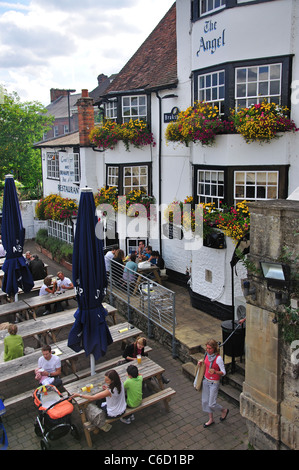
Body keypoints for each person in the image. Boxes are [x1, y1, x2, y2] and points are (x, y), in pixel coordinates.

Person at [199, 339, 229, 428]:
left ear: (214, 348)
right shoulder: (206, 355)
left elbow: (223, 372)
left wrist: (215, 372)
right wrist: (201, 362)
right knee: (205, 401)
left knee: (211, 404)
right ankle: (211, 419)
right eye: (207, 348)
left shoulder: (218, 358)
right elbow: (205, 363)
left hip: (213, 383)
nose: (208, 350)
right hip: (206, 381)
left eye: (210, 349)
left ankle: (224, 410)